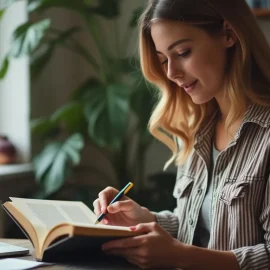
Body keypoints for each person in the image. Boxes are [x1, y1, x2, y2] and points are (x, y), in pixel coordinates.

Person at [93, 0, 270, 269]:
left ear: (228, 34)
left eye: (183, 52)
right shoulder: (197, 127)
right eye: (163, 60)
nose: (171, 73)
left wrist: (179, 255)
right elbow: (200, 228)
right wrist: (143, 218)